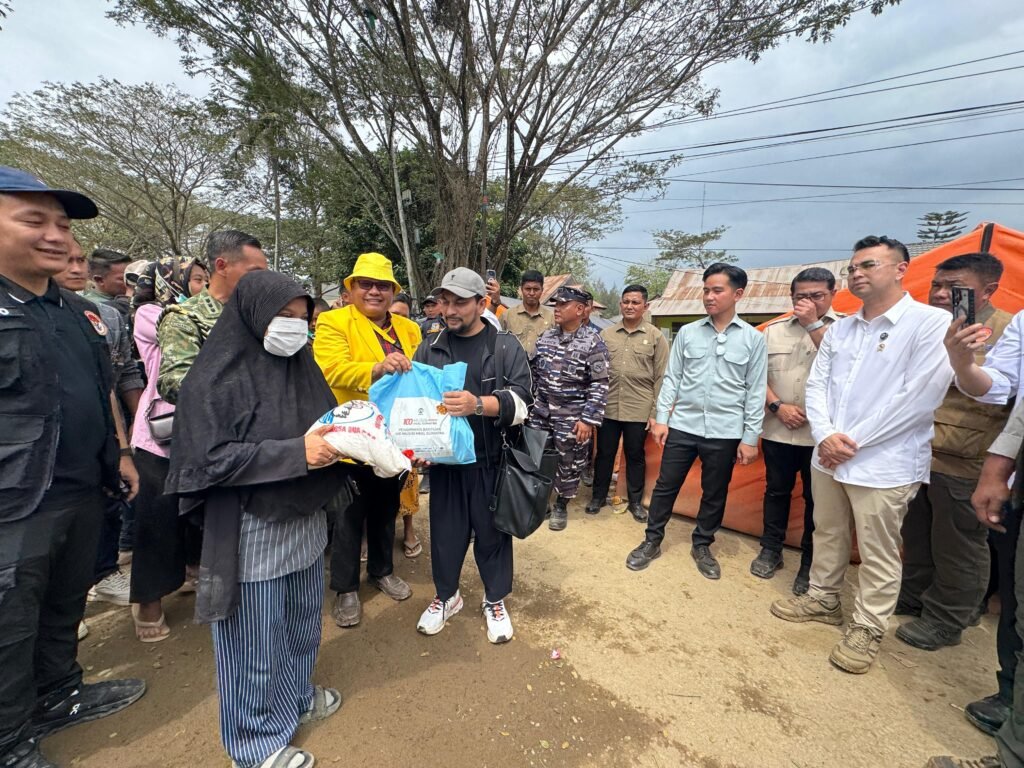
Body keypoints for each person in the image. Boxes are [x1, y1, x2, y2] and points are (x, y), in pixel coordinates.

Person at [165, 270, 348, 768]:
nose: (293, 326)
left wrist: (362, 442)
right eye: (281, 316)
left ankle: (292, 699)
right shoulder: (214, 377)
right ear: (250, 315)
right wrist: (296, 454)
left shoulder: (302, 365)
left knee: (300, 623)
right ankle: (254, 744)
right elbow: (207, 461)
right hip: (251, 525)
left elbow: (330, 424)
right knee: (252, 639)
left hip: (304, 516)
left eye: (301, 316)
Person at [0, 166, 145, 768]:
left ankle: (59, 696)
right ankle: (9, 742)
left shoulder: (78, 311)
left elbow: (101, 388)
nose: (55, 236)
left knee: (65, 601)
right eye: (33, 220)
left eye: (61, 224)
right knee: (9, 626)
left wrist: (120, 451)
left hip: (82, 484)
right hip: (13, 500)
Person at [771, 235, 953, 675]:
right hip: (828, 454)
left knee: (878, 549)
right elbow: (818, 385)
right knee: (827, 530)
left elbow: (919, 397)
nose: (857, 273)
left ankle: (869, 626)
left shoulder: (928, 323)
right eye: (853, 267)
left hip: (883, 462)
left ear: (900, 269)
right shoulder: (844, 329)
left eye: (868, 265)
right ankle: (823, 597)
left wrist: (850, 441)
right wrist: (828, 435)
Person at [896, 254, 1012, 652]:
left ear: (988, 290)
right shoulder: (930, 327)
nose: (942, 294)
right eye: (937, 285)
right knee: (917, 533)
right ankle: (913, 596)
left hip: (967, 460)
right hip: (917, 451)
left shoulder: (1005, 331)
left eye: (954, 287)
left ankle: (948, 619)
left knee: (958, 544)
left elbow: (1007, 402)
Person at [413, 268, 533, 642]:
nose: (449, 310)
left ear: (482, 303)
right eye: (445, 301)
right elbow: (417, 402)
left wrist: (478, 404)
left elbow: (524, 402)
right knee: (445, 537)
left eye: (460, 302)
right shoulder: (429, 345)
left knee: (491, 537)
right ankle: (447, 597)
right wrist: (417, 446)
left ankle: (494, 599)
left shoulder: (504, 346)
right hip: (446, 467)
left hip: (490, 464)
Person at [625, 263, 767, 580]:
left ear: (738, 294)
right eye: (706, 290)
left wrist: (750, 437)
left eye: (717, 290)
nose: (709, 296)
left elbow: (755, 391)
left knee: (714, 492)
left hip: (726, 431)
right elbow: (671, 379)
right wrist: (662, 419)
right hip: (684, 426)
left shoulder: (752, 340)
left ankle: (702, 544)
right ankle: (652, 540)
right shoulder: (688, 333)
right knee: (665, 486)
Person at [313, 252, 420, 627]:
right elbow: (329, 369)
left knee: (385, 510)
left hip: (392, 440)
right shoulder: (333, 322)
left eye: (382, 286)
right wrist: (376, 368)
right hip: (351, 441)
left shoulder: (409, 330)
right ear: (352, 289)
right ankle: (345, 589)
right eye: (366, 284)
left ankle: (381, 570)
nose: (374, 291)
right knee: (347, 517)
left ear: (393, 291)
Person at [925, 397, 1024, 768]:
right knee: (1018, 601)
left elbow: (1000, 390)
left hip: (964, 452)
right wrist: (998, 467)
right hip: (993, 460)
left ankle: (1011, 757)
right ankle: (1010, 705)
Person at [944, 295, 1024, 734]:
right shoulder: (1022, 324)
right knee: (1017, 596)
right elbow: (1002, 391)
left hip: (966, 453)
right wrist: (962, 361)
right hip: (999, 465)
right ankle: (1010, 696)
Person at [52, 236, 144, 608]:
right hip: (44, 439)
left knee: (107, 497)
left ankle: (102, 573)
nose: (76, 269)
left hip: (103, 426)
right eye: (66, 261)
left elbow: (118, 377)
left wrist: (130, 433)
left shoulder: (101, 317)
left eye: (80, 261)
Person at [127, 258, 205, 642]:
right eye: (195, 279)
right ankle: (148, 602)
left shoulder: (211, 316)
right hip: (160, 434)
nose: (202, 286)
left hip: (202, 430)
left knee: (198, 507)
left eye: (207, 280)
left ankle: (194, 570)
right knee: (157, 518)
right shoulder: (151, 313)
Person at [755, 267, 841, 594]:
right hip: (778, 429)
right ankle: (771, 549)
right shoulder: (773, 331)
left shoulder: (846, 329)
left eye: (816, 296)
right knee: (776, 491)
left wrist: (812, 325)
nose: (807, 302)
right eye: (800, 296)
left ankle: (810, 563)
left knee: (817, 501)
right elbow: (757, 377)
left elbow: (845, 369)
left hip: (822, 438)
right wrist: (777, 406)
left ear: (832, 294)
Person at [527, 286, 609, 531]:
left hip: (572, 416)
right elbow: (532, 374)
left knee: (569, 461)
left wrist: (587, 420)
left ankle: (561, 504)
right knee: (539, 457)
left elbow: (600, 383)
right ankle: (543, 503)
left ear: (581, 309)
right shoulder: (546, 337)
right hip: (541, 413)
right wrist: (531, 406)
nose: (557, 309)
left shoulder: (594, 342)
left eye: (563, 304)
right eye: (556, 304)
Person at [157, 230, 268, 404]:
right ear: (222, 266)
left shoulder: (260, 312)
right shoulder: (185, 317)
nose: (263, 279)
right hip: (221, 424)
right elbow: (172, 384)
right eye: (255, 271)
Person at [588, 284, 668, 522]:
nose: (629, 306)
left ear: (645, 306)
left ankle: (635, 501)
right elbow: (595, 373)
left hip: (639, 408)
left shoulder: (655, 337)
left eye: (635, 302)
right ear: (620, 304)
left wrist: (656, 412)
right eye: (626, 302)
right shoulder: (606, 335)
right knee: (604, 453)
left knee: (635, 455)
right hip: (608, 406)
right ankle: (598, 496)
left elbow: (662, 377)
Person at [500, 269, 553, 357]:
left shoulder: (551, 318)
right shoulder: (507, 315)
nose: (532, 293)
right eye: (528, 289)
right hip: (512, 368)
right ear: (521, 289)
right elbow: (497, 344)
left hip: (539, 369)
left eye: (536, 289)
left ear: (542, 290)